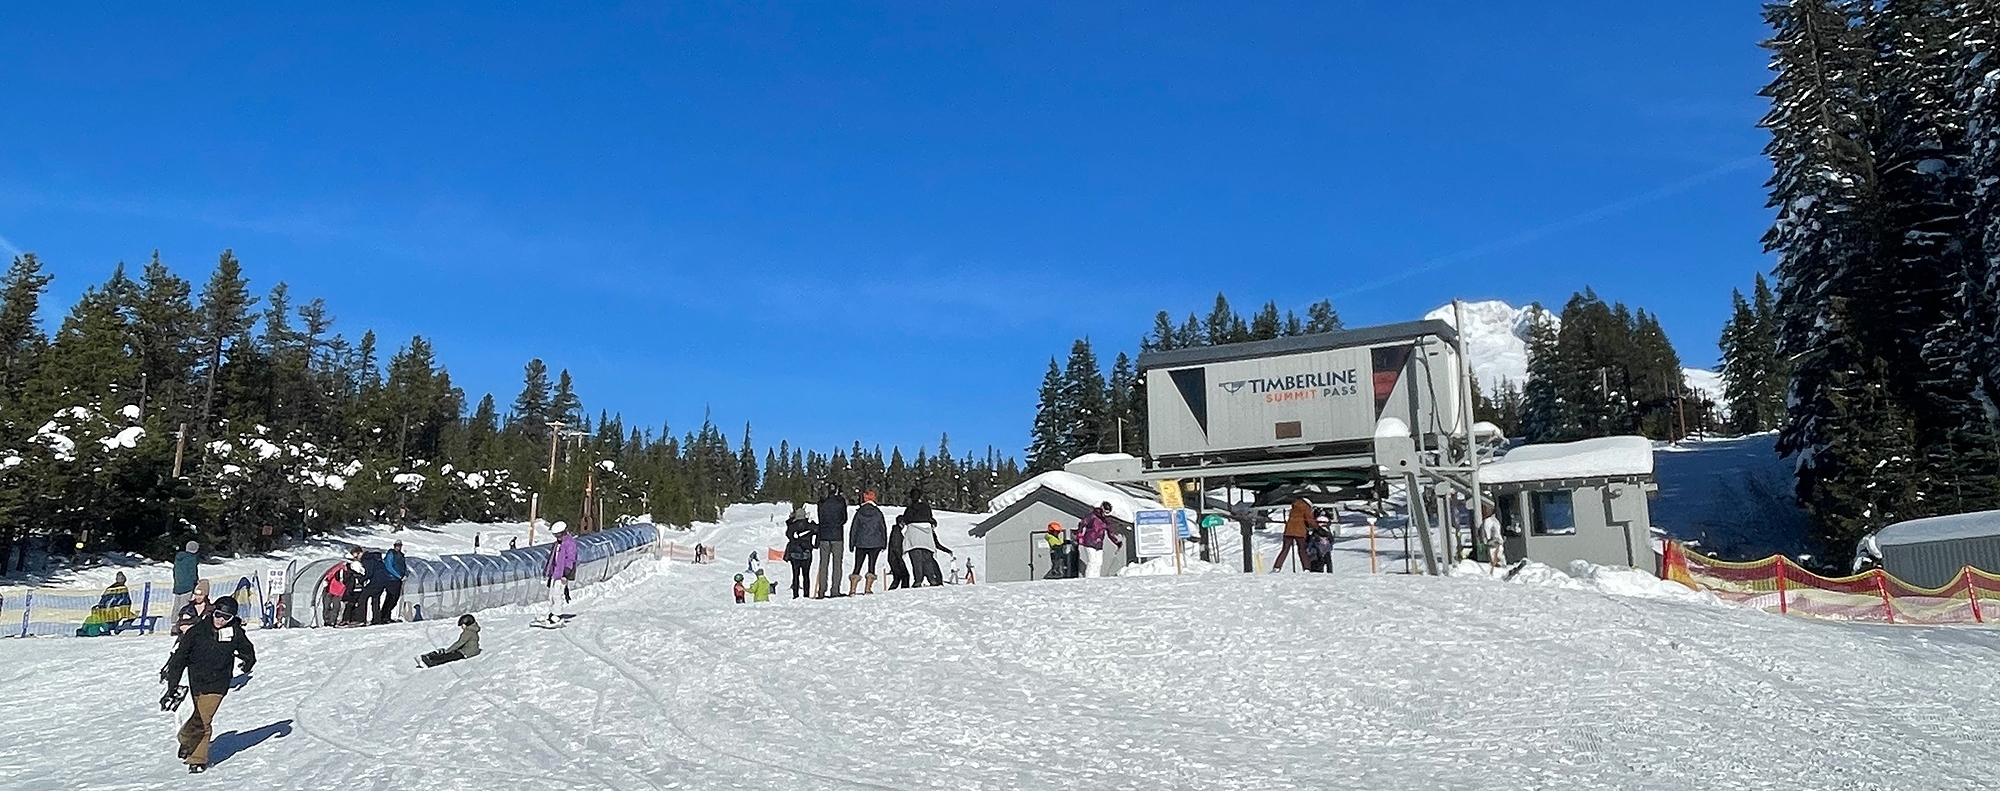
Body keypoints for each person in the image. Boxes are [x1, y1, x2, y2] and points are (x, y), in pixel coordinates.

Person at [162, 594, 255, 774]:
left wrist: (248, 661)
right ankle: (188, 741)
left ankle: (197, 759)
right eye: (218, 615)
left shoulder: (234, 632)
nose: (220, 620)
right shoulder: (197, 631)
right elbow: (179, 659)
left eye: (226, 617)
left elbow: (247, 649)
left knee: (203, 721)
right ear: (213, 612)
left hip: (218, 684)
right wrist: (172, 684)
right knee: (194, 718)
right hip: (197, 681)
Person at [538, 522, 579, 627]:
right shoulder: (557, 544)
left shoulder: (570, 544)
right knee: (551, 594)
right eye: (555, 535)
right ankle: (552, 612)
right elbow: (553, 558)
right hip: (555, 573)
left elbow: (570, 560)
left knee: (558, 593)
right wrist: (549, 571)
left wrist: (566, 574)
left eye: (559, 535)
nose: (557, 537)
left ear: (564, 532)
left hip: (562, 574)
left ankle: (558, 615)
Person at [848, 492, 888, 595]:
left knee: (857, 565)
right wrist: (884, 542)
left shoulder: (859, 512)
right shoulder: (878, 512)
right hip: (875, 543)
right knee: (872, 565)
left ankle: (853, 589)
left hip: (861, 542)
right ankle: (868, 589)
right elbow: (882, 528)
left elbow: (854, 528)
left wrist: (852, 543)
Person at [902, 501, 950, 587]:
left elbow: (905, 519)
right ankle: (932, 579)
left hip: (913, 538)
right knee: (928, 561)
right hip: (926, 540)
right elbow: (936, 543)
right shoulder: (926, 510)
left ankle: (918, 580)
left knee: (916, 562)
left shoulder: (910, 509)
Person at [78, 572, 138, 636]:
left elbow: (104, 599)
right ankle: (118, 628)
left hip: (108, 612)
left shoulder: (111, 588)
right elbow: (125, 601)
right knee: (130, 616)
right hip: (114, 612)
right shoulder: (120, 589)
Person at [814, 490, 849, 598]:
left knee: (823, 564)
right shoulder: (840, 501)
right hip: (837, 535)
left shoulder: (821, 502)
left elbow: (820, 518)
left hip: (824, 535)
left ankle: (821, 591)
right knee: (837, 564)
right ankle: (835, 590)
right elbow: (844, 519)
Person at [1076, 502, 1124, 578]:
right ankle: (1089, 578)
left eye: (1108, 512)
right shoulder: (1092, 516)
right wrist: (1080, 537)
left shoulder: (1105, 520)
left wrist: (1117, 542)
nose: (1106, 514)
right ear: (1102, 509)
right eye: (1105, 512)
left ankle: (1096, 578)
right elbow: (1082, 524)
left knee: (1099, 562)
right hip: (1089, 542)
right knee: (1092, 561)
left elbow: (1110, 533)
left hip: (1099, 544)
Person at [783, 505, 817, 599]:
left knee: (795, 575)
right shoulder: (810, 526)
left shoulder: (792, 527)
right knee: (806, 575)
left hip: (795, 554)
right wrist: (815, 545)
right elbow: (818, 530)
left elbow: (788, 535)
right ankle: (806, 594)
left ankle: (795, 594)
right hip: (807, 553)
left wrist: (790, 520)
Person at [1273, 498, 1312, 573]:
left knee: (1285, 549)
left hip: (1289, 530)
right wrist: (1316, 527)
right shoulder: (1306, 507)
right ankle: (1306, 567)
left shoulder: (1294, 506)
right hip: (1300, 531)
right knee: (1302, 550)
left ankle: (1277, 566)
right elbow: (1309, 519)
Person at [338, 548, 370, 627]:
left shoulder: (350, 564)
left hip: (353, 586)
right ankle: (350, 619)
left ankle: (350, 619)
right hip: (354, 586)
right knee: (353, 603)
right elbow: (361, 572)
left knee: (352, 603)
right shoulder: (355, 563)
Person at [379, 540, 409, 624]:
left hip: (398, 579)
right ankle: (384, 615)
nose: (398, 547)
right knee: (391, 597)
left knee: (395, 598)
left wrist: (405, 574)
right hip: (391, 579)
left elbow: (403, 566)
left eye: (399, 545)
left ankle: (387, 615)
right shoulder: (391, 554)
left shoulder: (401, 555)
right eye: (397, 545)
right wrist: (399, 575)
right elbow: (389, 566)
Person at [361, 549, 391, 625]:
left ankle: (361, 619)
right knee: (376, 601)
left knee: (363, 599)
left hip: (374, 582)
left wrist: (361, 580)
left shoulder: (367, 560)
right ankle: (377, 619)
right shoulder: (380, 561)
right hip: (382, 583)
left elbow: (369, 572)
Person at [171, 541, 201, 616]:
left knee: (177, 605)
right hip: (188, 586)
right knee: (184, 606)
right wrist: (195, 582)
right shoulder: (192, 559)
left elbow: (175, 571)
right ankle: (181, 622)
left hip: (178, 585)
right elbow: (192, 573)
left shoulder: (179, 558)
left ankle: (174, 621)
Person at [886, 514, 911, 590]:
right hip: (895, 557)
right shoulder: (896, 531)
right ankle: (904, 591)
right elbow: (895, 546)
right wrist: (899, 558)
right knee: (905, 576)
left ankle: (891, 591)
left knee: (897, 578)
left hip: (893, 557)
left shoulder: (896, 530)